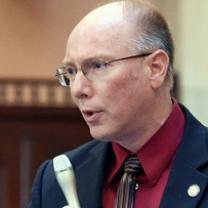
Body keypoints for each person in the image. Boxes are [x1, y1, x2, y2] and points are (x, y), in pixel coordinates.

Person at [28, 0, 208, 207]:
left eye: (97, 65)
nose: (77, 89)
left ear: (155, 68)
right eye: (70, 71)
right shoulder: (55, 180)